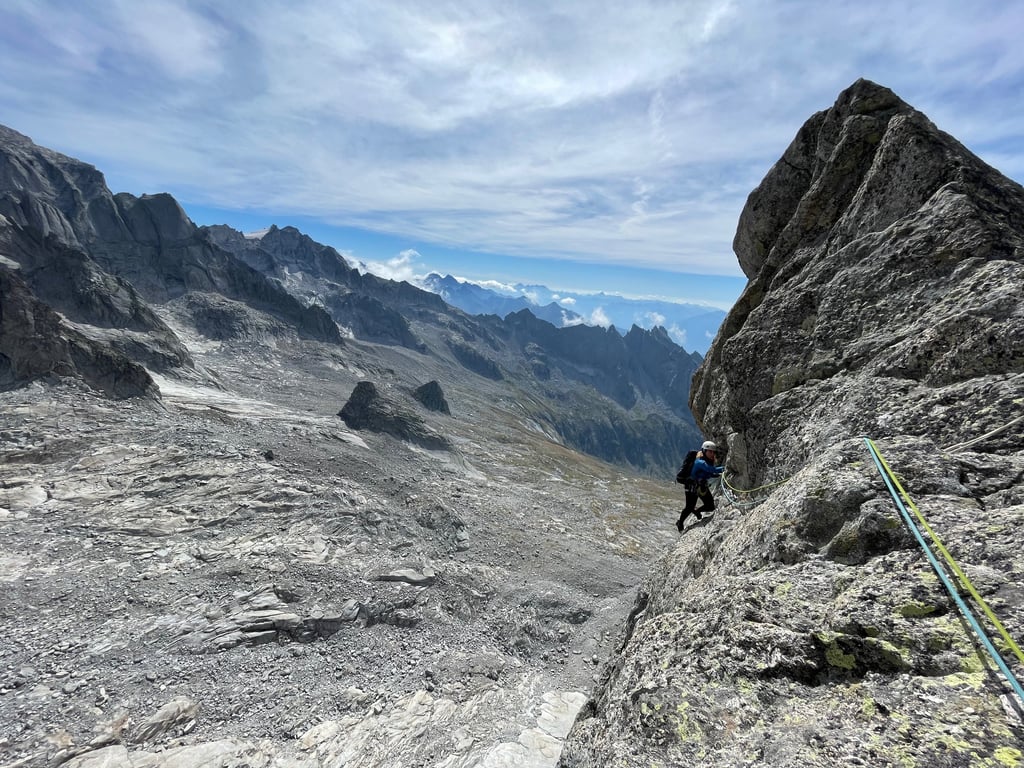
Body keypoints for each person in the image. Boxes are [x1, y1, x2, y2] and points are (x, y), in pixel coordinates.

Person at [676, 440, 724, 531]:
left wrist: (716, 475)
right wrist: (725, 468)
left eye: (713, 452)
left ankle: (696, 511)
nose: (712, 454)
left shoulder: (708, 461)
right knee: (689, 507)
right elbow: (711, 470)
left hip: (701, 486)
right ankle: (680, 522)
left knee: (710, 506)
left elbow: (708, 473)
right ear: (704, 451)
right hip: (691, 487)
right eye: (710, 451)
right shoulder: (700, 462)